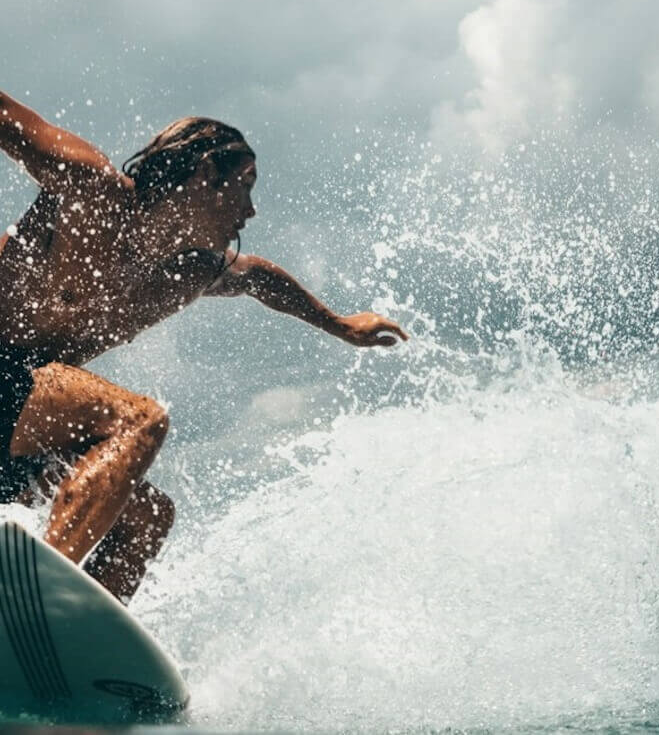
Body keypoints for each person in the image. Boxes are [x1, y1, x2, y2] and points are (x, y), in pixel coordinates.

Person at [0, 89, 408, 603]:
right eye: (245, 187)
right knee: (140, 420)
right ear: (205, 174)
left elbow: (258, 278)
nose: (252, 210)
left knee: (147, 519)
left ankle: (69, 646)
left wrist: (342, 326)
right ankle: (34, 600)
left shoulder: (185, 272)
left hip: (18, 419)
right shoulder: (94, 194)